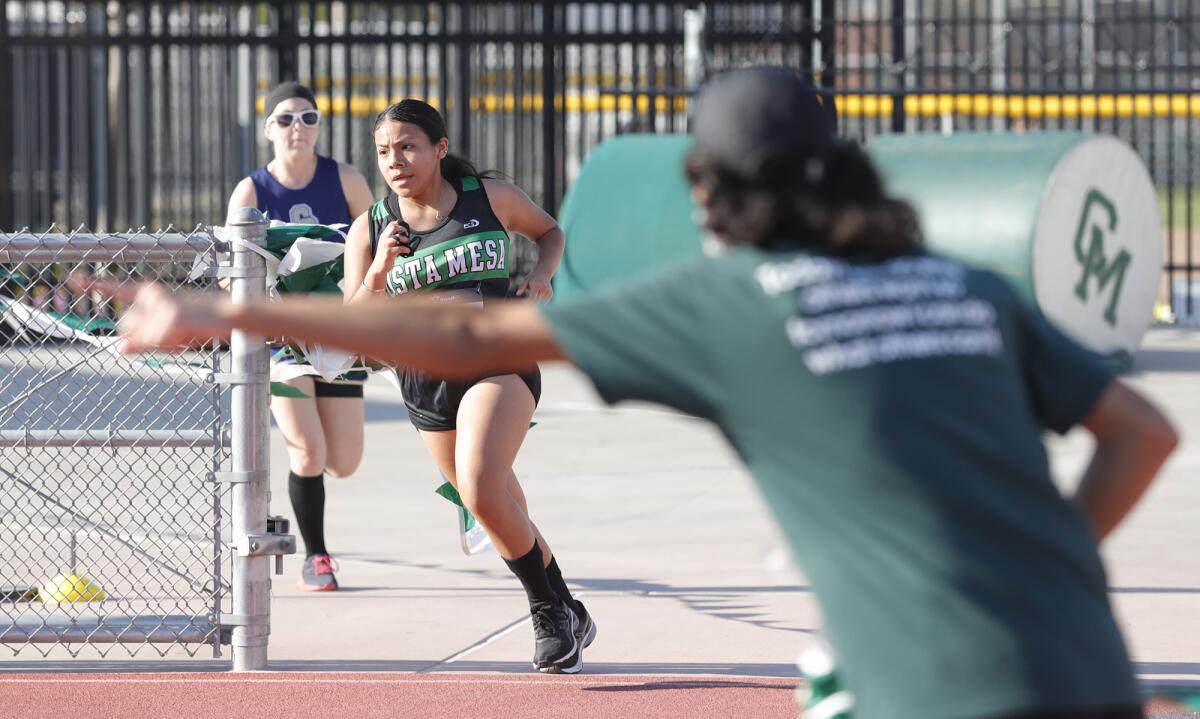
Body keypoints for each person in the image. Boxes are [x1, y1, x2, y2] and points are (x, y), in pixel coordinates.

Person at [107, 68, 1176, 717]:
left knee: (483, 478)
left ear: (710, 193)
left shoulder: (735, 302)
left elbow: (471, 328)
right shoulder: (965, 285)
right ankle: (551, 597)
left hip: (935, 686)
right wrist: (1048, 564)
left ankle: (548, 596)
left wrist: (231, 315)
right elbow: (1143, 432)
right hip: (1085, 663)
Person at [336, 98, 594, 674]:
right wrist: (378, 271)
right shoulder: (370, 228)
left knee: (480, 489)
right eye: (384, 151)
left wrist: (541, 274)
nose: (395, 160)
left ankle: (546, 613)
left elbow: (550, 232)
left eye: (408, 146)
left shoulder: (487, 198)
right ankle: (567, 606)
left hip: (498, 357)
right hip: (424, 380)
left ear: (439, 148)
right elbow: (352, 324)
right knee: (499, 502)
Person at [227, 81, 375, 591]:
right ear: (269, 129)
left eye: (308, 118)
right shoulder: (252, 192)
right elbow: (231, 276)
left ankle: (298, 510)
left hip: (336, 331)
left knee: (344, 461)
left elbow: (378, 247)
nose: (298, 128)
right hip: (281, 340)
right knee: (307, 451)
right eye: (286, 119)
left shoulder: (347, 180)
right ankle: (318, 557)